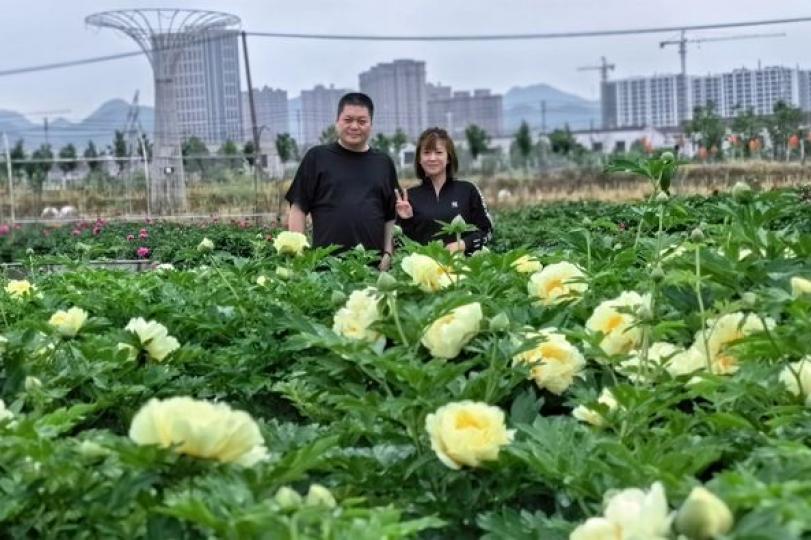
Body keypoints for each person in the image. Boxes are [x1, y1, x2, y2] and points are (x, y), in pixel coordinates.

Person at [285, 92, 399, 270]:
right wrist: (299, 255)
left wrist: (388, 253)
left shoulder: (383, 163)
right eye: (348, 120)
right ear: (337, 121)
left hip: (372, 268)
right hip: (326, 268)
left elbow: (390, 216)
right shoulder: (317, 157)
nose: (354, 126)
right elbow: (298, 208)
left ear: (371, 125)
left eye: (362, 121)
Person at [395, 127, 492, 254]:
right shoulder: (408, 197)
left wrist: (461, 245)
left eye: (439, 152)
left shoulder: (468, 190)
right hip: (425, 270)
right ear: (419, 159)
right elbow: (401, 245)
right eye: (426, 153)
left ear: (449, 158)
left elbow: (487, 232)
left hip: (464, 269)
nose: (432, 158)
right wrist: (406, 220)